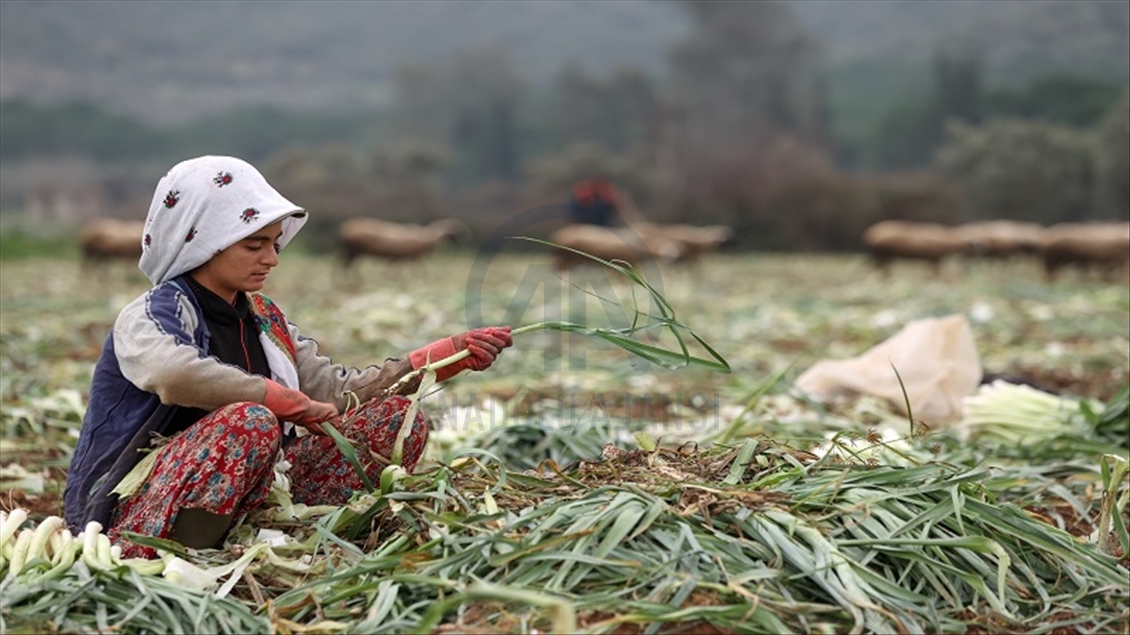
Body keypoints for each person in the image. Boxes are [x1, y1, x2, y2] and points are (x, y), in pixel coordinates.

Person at [63, 155, 513, 558]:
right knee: (250, 421)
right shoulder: (151, 313)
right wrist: (276, 398)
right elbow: (172, 373)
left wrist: (439, 359)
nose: (272, 259)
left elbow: (337, 394)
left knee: (396, 417)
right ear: (204, 242)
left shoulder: (262, 318)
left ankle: (284, 531)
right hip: (134, 508)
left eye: (274, 243)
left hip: (255, 488)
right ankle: (185, 553)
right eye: (253, 245)